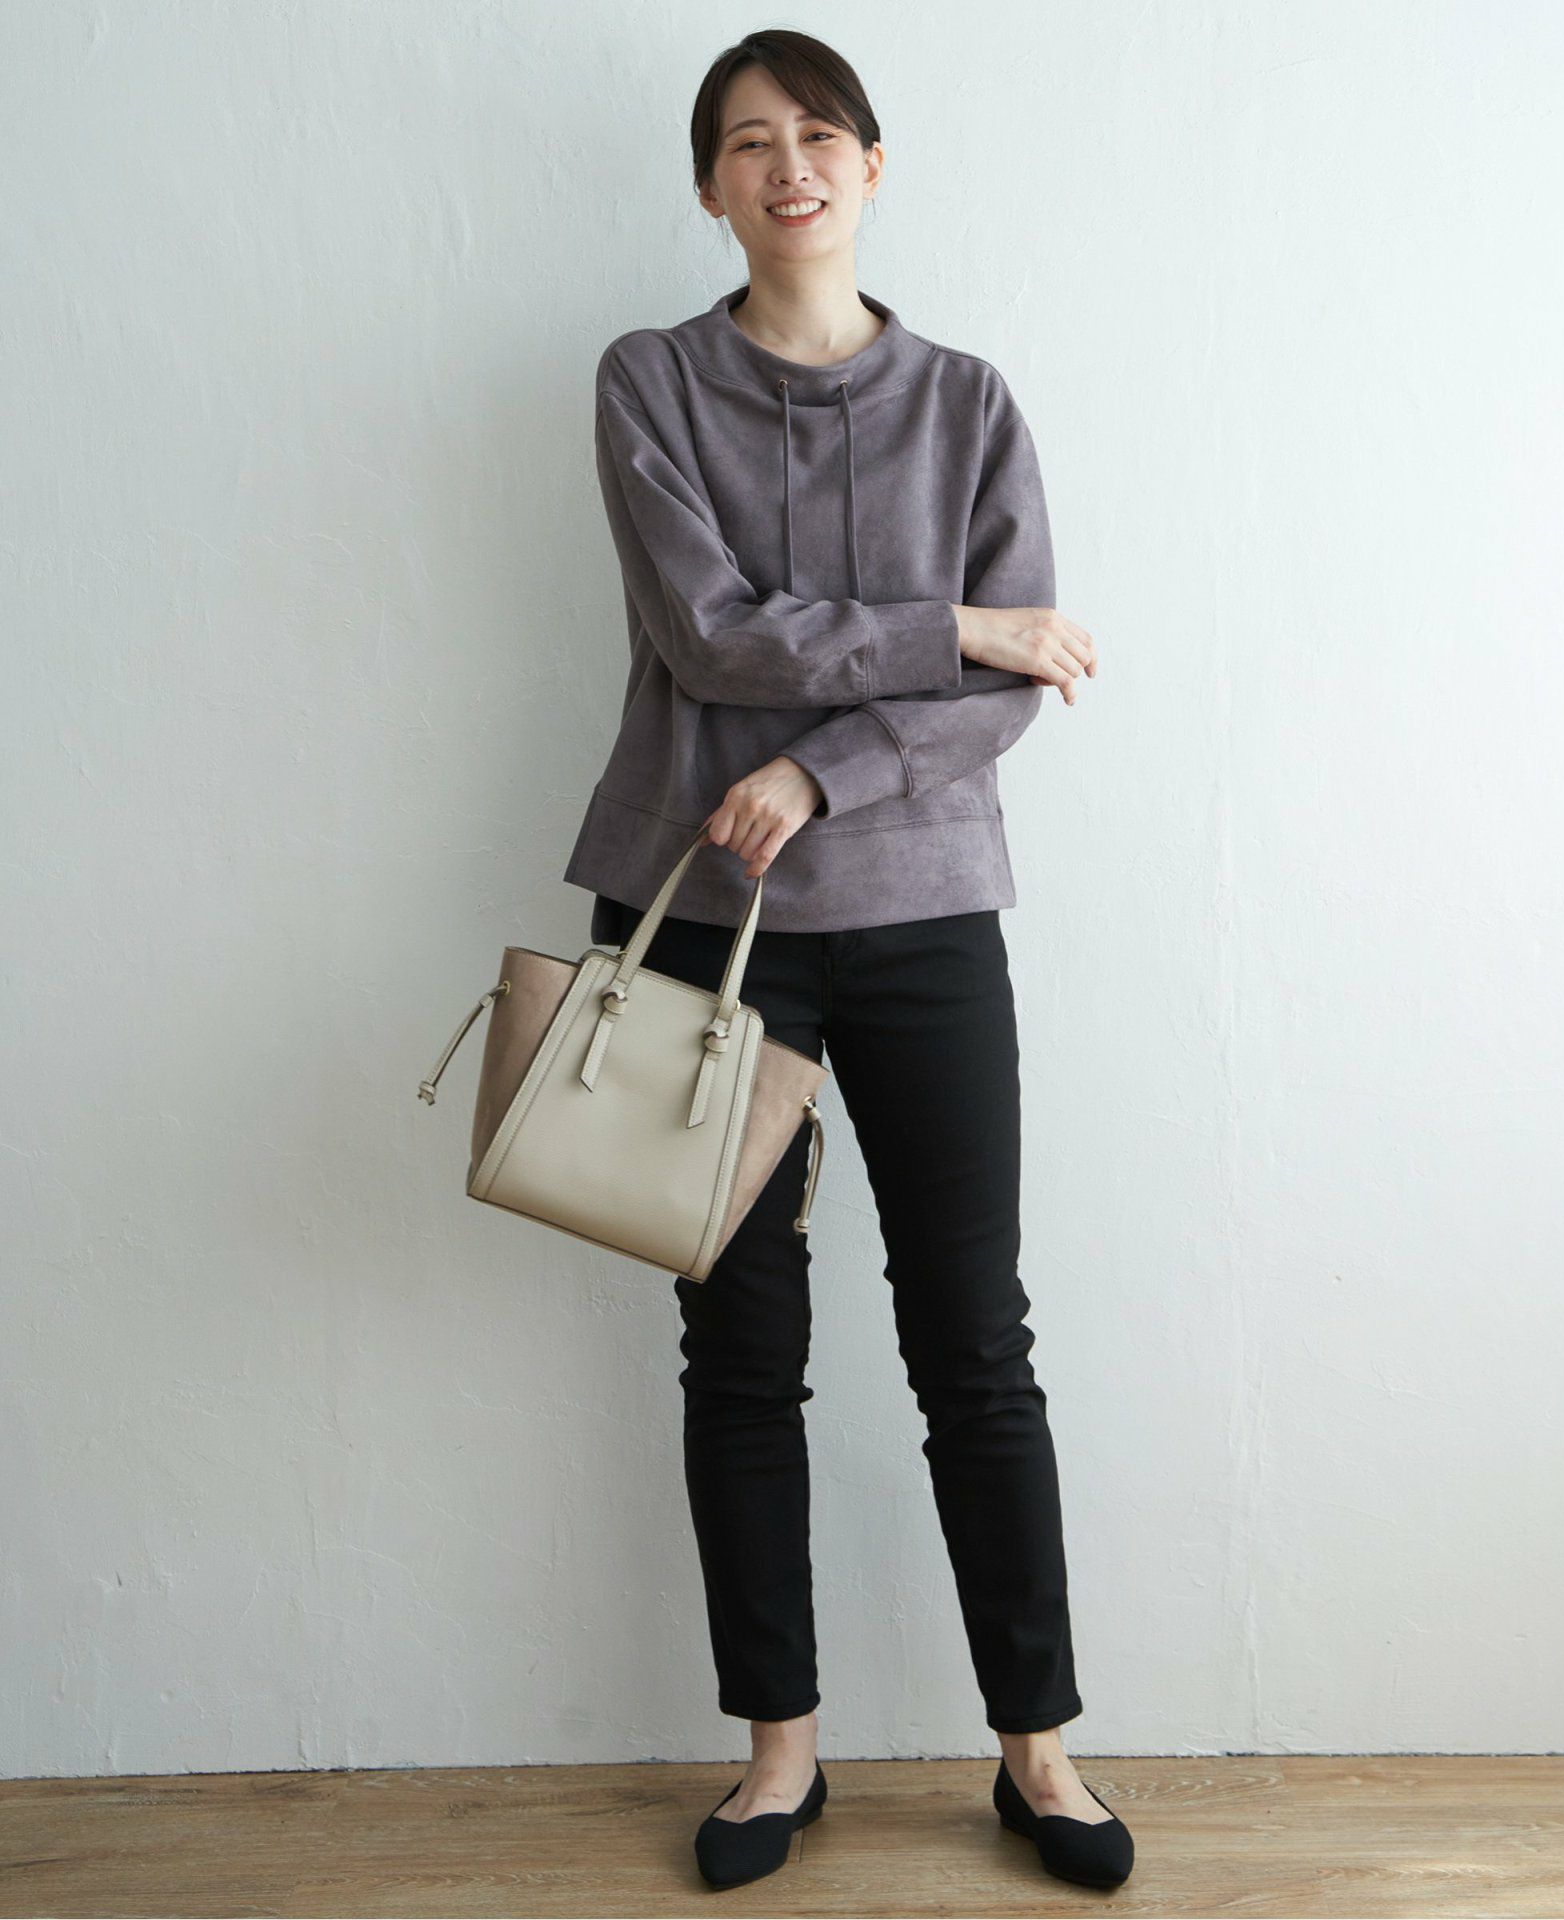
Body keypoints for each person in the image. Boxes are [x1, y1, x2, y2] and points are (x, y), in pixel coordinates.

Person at [561, 28, 1134, 1895]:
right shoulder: (650, 381)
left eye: (819, 134)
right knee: (739, 1349)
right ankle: (778, 1757)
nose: (787, 165)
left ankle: (1038, 1755)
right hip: (699, 929)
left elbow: (1019, 687)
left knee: (976, 1339)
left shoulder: (969, 402)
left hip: (923, 919)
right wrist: (955, 622)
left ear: (873, 166)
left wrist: (829, 768)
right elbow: (711, 634)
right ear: (708, 186)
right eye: (748, 142)